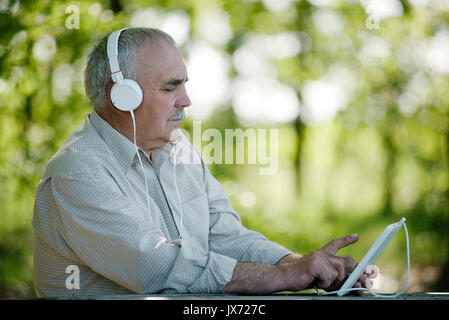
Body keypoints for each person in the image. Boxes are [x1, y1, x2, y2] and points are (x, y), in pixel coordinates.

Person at [32, 27, 370, 297]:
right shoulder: (78, 171)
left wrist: (302, 264)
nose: (186, 100)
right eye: (171, 87)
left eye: (185, 85)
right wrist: (285, 276)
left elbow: (224, 236)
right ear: (121, 97)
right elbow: (155, 267)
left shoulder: (178, 149)